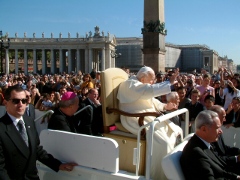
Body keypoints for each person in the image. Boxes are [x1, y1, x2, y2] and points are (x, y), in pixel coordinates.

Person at [117, 66, 183, 180]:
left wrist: (165, 106)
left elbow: (152, 100)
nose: (153, 82)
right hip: (135, 118)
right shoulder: (130, 85)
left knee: (177, 131)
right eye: (151, 79)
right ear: (143, 78)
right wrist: (169, 83)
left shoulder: (140, 86)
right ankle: (158, 176)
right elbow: (149, 90)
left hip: (147, 116)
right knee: (164, 143)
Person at [0, 85, 77, 179]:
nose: (21, 104)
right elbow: (1, 168)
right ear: (6, 103)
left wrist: (58, 165)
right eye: (16, 101)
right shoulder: (2, 128)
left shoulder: (28, 121)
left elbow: (36, 149)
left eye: (24, 101)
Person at [180, 110, 240, 180]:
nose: (221, 131)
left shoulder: (204, 143)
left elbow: (219, 169)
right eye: (217, 128)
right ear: (204, 129)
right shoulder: (196, 152)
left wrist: (236, 177)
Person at [210, 105, 240, 174]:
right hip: (221, 168)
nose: (225, 119)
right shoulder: (210, 135)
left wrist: (238, 151)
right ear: (215, 117)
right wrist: (237, 158)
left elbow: (224, 148)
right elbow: (216, 158)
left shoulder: (218, 131)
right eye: (223, 117)